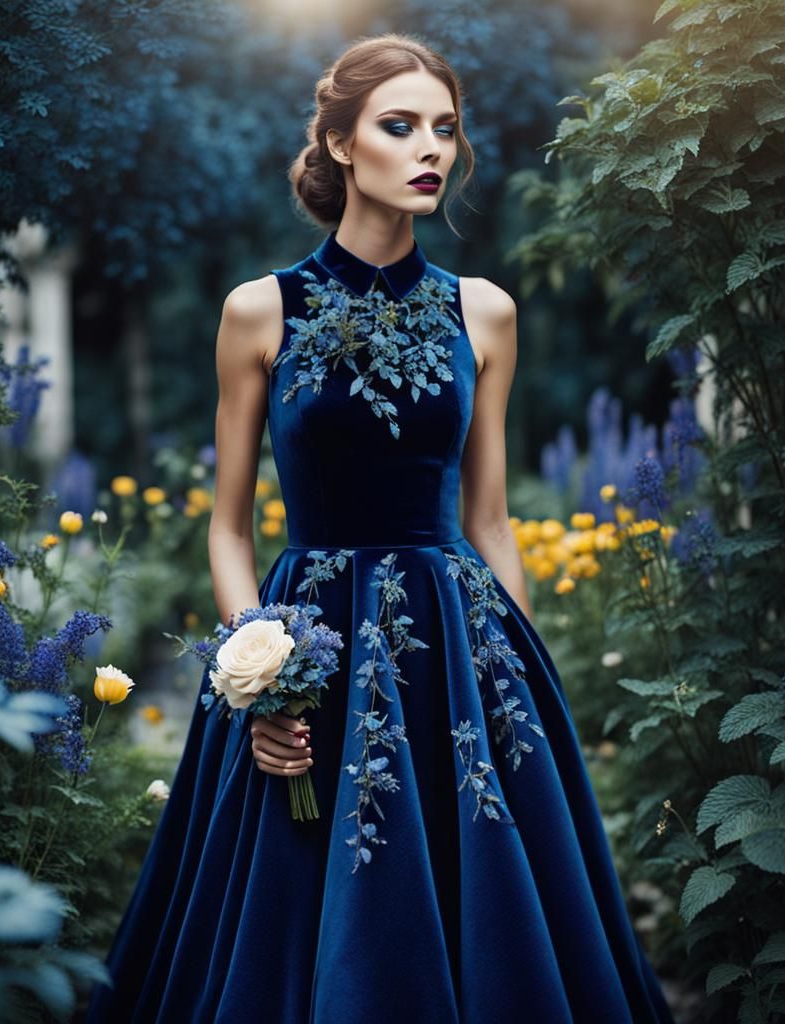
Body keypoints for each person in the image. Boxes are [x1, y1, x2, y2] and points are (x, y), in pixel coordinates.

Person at [84, 31, 676, 1024]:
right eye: (399, 126)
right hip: (307, 638)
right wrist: (259, 674)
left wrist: (517, 685)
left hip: (456, 644)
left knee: (485, 898)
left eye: (443, 129)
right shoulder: (258, 311)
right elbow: (228, 531)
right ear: (341, 143)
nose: (429, 148)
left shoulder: (483, 312)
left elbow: (488, 521)